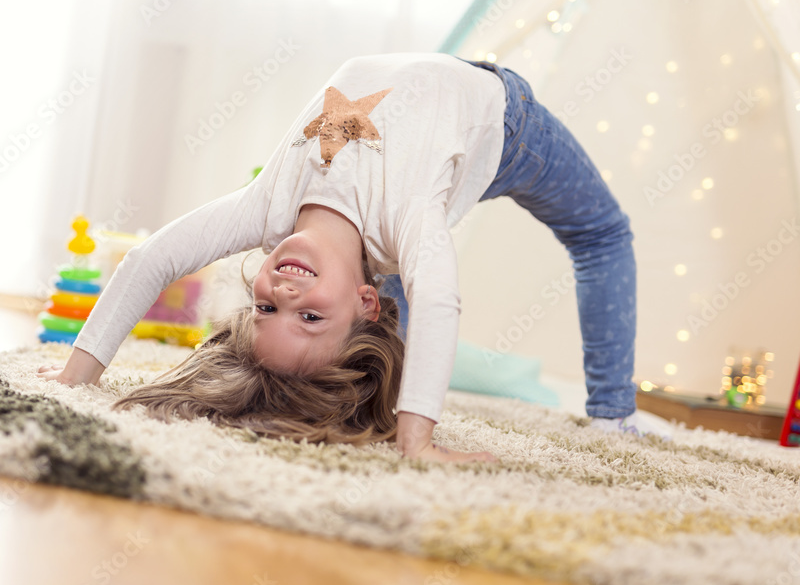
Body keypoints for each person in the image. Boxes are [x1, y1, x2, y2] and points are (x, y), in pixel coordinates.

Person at [38, 52, 659, 463]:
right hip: (504, 125)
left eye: (263, 308)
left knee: (412, 277)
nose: (284, 297)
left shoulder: (266, 208)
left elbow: (151, 257)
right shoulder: (408, 216)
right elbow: (442, 299)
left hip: (445, 96)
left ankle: (388, 386)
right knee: (602, 233)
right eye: (309, 319)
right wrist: (417, 439)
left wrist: (79, 374)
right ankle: (614, 418)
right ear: (365, 303)